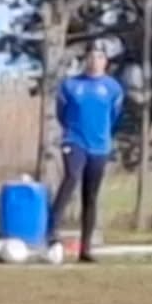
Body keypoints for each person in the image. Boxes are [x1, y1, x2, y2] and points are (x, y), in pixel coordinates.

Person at [48, 44, 125, 263]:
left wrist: (103, 135)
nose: (95, 61)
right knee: (72, 177)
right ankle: (51, 231)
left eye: (99, 57)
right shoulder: (70, 86)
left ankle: (86, 248)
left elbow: (114, 116)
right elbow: (61, 113)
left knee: (90, 195)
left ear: (105, 61)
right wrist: (71, 131)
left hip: (99, 146)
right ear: (86, 60)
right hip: (74, 140)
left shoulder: (113, 88)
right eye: (91, 57)